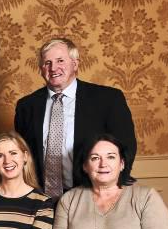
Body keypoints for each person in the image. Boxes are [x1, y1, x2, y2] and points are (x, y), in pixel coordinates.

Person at [14, 37, 137, 199]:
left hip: (92, 195)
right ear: (41, 69)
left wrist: (109, 192)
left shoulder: (108, 99)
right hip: (41, 199)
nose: (53, 68)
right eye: (47, 63)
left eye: (60, 61)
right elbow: (22, 155)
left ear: (75, 64)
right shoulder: (26, 106)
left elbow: (126, 148)